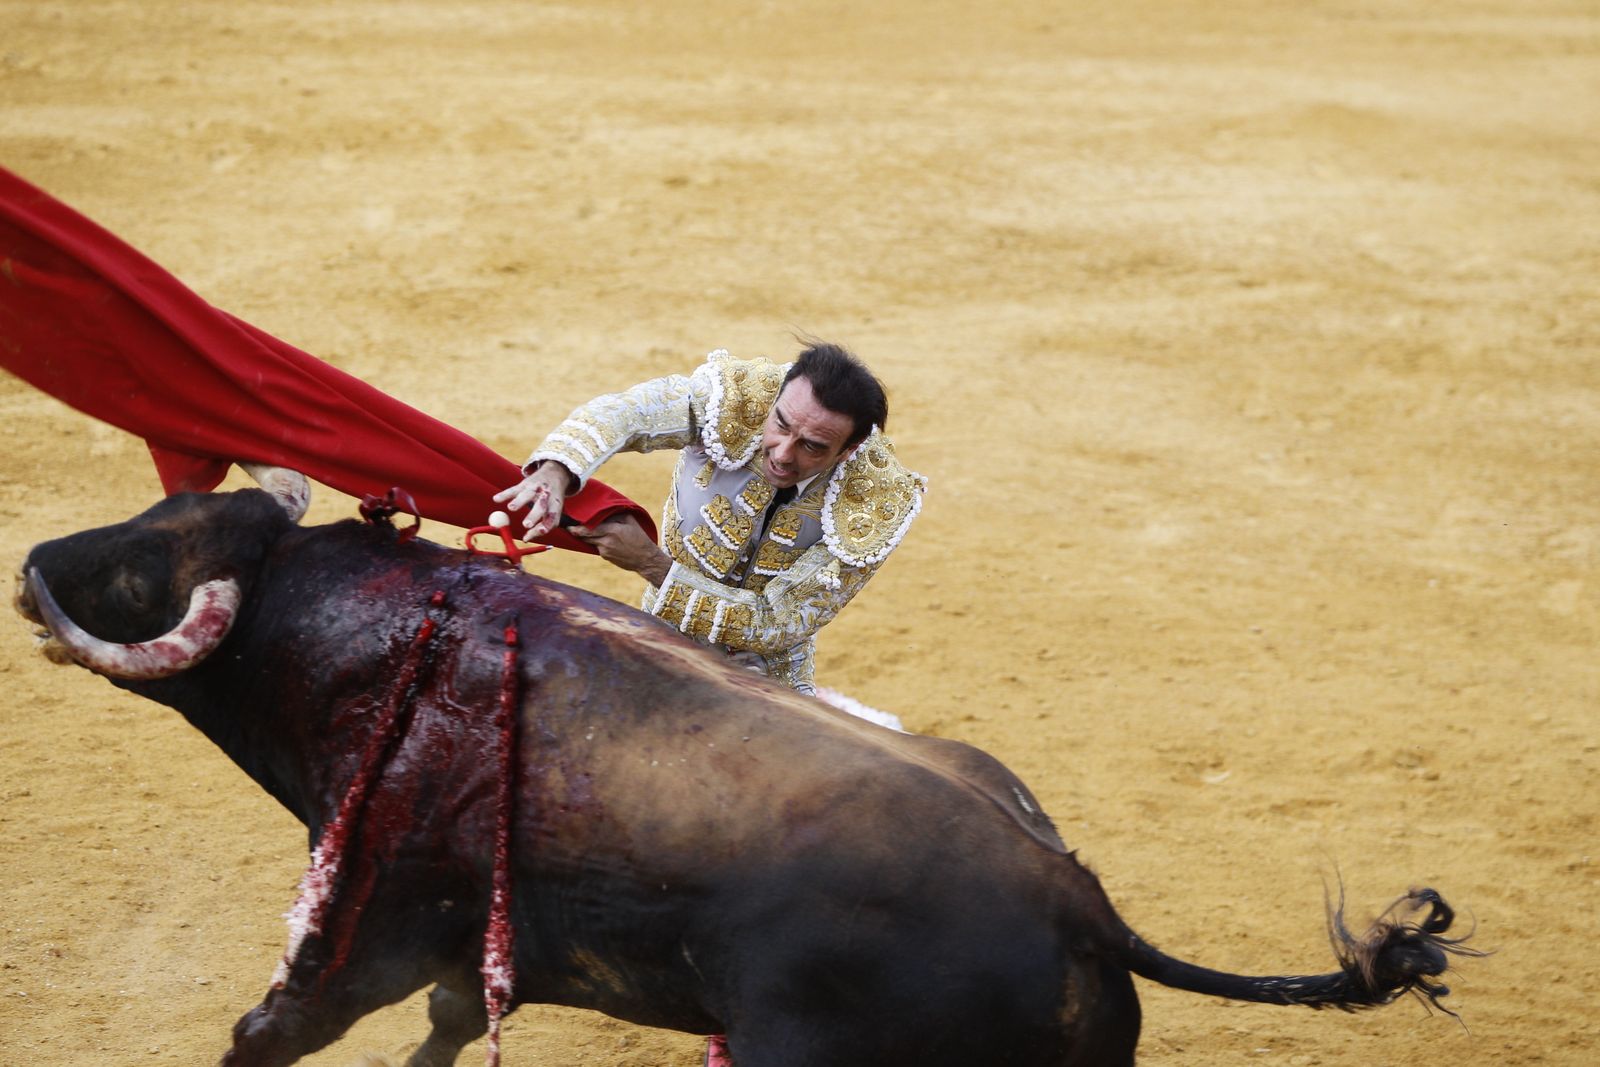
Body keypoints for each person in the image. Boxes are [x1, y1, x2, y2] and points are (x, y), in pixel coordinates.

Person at [494, 342, 925, 697]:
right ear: (775, 400)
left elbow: (777, 622)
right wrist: (557, 469)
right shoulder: (735, 398)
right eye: (781, 424)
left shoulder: (876, 501)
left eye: (811, 446)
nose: (782, 454)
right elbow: (627, 414)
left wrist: (652, 565)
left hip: (772, 678)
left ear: (847, 451)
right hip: (663, 635)